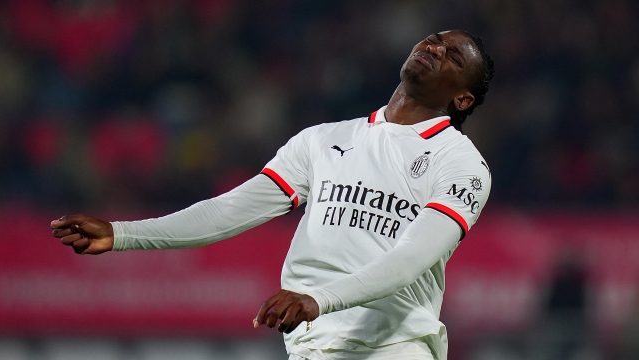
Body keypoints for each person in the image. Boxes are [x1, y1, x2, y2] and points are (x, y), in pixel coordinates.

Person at [50, 30, 495, 360]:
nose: (434, 47)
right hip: (310, 346)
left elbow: (413, 256)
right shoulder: (322, 140)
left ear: (462, 99)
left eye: (452, 54)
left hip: (393, 348)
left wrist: (319, 299)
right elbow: (231, 209)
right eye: (434, 40)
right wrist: (122, 233)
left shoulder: (461, 163)